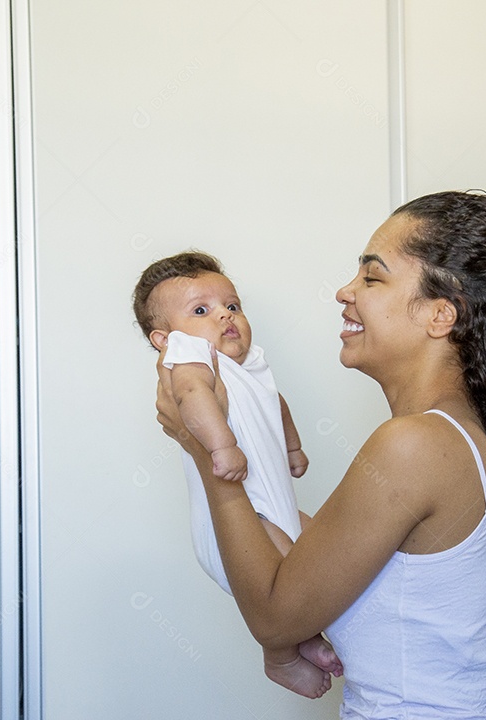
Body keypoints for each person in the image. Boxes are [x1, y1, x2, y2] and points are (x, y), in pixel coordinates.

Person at [155, 191, 486, 718]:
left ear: (439, 314)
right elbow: (325, 557)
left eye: (372, 277)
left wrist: (205, 452)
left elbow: (274, 616)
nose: (345, 291)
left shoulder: (415, 445)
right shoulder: (457, 436)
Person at [132, 251, 343, 698]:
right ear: (164, 338)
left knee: (321, 546)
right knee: (293, 578)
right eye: (201, 310)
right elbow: (191, 397)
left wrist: (293, 446)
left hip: (274, 506)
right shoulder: (189, 357)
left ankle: (300, 637)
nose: (225, 316)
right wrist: (222, 446)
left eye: (232, 305)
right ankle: (285, 653)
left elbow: (276, 402)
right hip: (240, 521)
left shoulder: (248, 365)